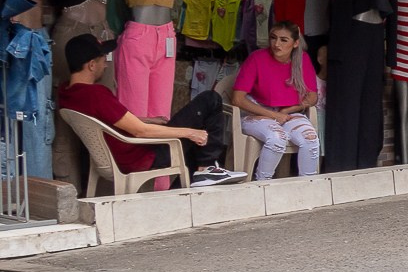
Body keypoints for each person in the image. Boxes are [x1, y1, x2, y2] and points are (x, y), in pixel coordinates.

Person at [57, 35, 244, 186]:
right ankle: (206, 169)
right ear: (91, 65)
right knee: (210, 100)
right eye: (102, 60)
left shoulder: (67, 93)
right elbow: (140, 131)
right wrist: (190, 133)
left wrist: (148, 120)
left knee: (195, 134)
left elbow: (106, 122)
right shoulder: (96, 93)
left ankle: (201, 173)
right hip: (141, 155)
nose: (106, 65)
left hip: (123, 153)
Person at [230, 21, 323, 180]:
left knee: (311, 139)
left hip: (287, 113)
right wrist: (272, 115)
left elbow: (312, 97)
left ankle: (308, 188)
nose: (276, 44)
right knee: (277, 139)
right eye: (273, 38)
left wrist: (286, 111)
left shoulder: (302, 59)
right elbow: (237, 99)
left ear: (295, 43)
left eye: (283, 40)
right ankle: (263, 186)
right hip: (256, 112)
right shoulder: (257, 58)